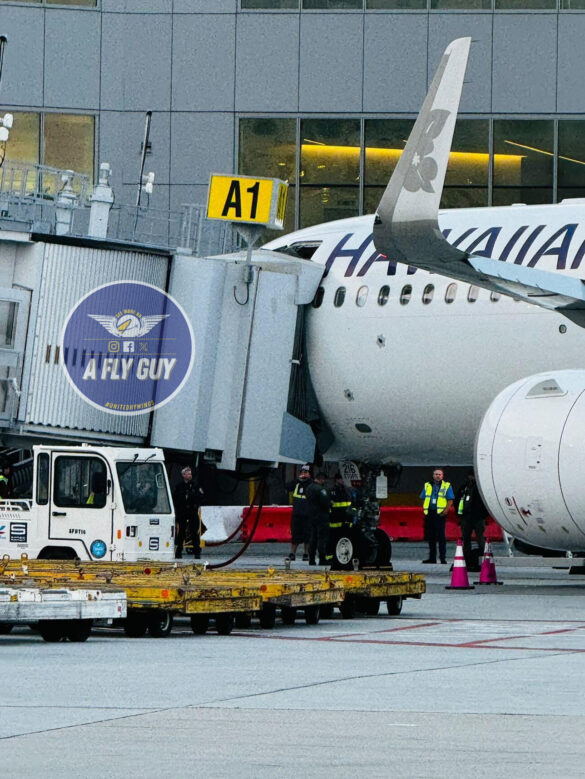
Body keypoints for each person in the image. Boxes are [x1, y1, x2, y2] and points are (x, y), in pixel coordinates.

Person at [419, 468, 454, 564]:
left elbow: (450, 499)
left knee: (441, 536)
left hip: (440, 514)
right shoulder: (427, 485)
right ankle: (432, 558)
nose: (437, 476)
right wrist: (425, 508)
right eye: (436, 474)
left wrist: (445, 511)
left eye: (439, 474)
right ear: (433, 476)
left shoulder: (446, 486)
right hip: (430, 513)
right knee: (431, 536)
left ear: (442, 476)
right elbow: (423, 497)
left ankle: (442, 557)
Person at [456, 469, 487, 571]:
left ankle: (483, 557)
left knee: (479, 538)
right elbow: (458, 500)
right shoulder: (465, 487)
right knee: (466, 538)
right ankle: (467, 558)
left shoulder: (480, 487)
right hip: (467, 517)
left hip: (477, 517)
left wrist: (483, 515)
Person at [173, 466, 204, 559]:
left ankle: (197, 552)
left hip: (192, 511)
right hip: (182, 512)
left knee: (194, 532)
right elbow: (175, 498)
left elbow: (201, 496)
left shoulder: (195, 485)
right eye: (188, 474)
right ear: (183, 475)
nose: (190, 475)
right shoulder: (179, 486)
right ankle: (179, 551)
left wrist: (197, 505)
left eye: (190, 474)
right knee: (181, 532)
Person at [285, 464, 312, 561]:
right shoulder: (296, 484)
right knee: (295, 535)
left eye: (306, 473)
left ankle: (306, 554)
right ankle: (292, 553)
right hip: (297, 514)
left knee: (307, 535)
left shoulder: (311, 484)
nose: (303, 474)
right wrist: (298, 480)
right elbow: (287, 486)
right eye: (302, 472)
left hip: (308, 515)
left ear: (309, 474)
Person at [306, 472, 331, 566]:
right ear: (321, 479)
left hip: (311, 516)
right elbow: (326, 502)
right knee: (322, 538)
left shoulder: (308, 488)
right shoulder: (321, 489)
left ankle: (311, 559)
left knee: (312, 538)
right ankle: (322, 559)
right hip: (321, 516)